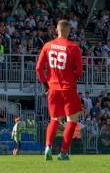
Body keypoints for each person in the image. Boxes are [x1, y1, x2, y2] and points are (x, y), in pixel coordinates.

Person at [35, 19, 83, 161]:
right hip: (69, 88)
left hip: (53, 88)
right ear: (69, 31)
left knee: (55, 119)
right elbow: (79, 71)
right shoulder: (73, 47)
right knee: (71, 121)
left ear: (56, 30)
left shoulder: (48, 45)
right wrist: (72, 79)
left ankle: (48, 147)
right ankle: (63, 153)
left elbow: (38, 68)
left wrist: (45, 83)